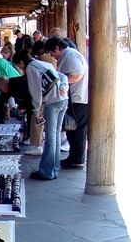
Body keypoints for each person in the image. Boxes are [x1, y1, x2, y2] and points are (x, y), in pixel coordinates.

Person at [12, 50, 69, 180]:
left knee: (50, 137)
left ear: (22, 62)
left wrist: (37, 110)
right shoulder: (43, 64)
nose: (20, 69)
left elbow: (36, 92)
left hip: (52, 102)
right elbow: (62, 76)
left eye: (19, 66)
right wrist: (64, 87)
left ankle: (46, 171)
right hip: (62, 99)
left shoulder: (31, 68)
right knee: (55, 136)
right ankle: (54, 169)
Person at [45, 37, 89, 169]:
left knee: (77, 131)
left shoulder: (70, 55)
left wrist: (60, 84)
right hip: (76, 97)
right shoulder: (69, 54)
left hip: (78, 98)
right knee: (72, 130)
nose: (52, 56)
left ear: (57, 48)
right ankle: (74, 157)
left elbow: (77, 74)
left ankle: (77, 160)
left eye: (52, 52)